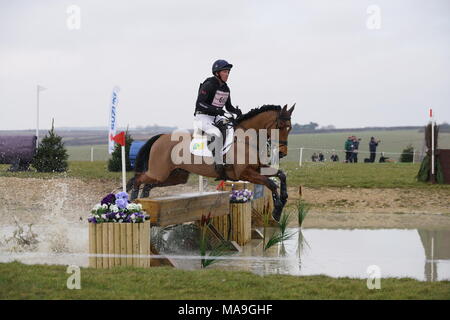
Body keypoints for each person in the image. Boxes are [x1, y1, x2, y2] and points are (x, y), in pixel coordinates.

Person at [194, 59, 243, 180]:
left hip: (216, 116)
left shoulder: (226, 88)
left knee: (231, 127)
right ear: (217, 73)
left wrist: (236, 112)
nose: (227, 74)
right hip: (202, 116)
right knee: (216, 133)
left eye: (228, 72)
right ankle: (218, 163)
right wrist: (216, 110)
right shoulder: (209, 84)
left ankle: (229, 156)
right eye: (225, 71)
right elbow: (200, 104)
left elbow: (228, 107)